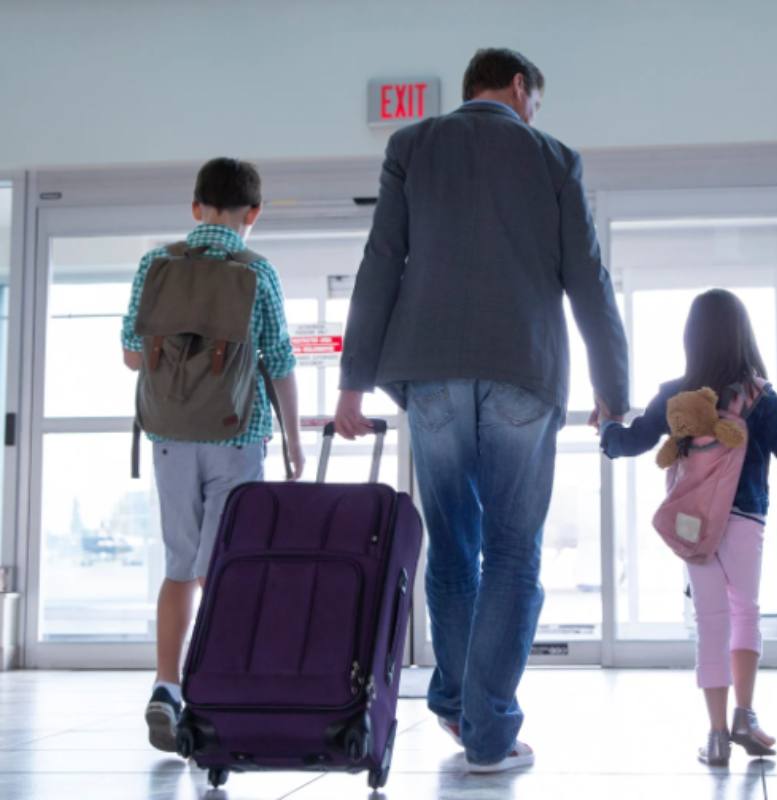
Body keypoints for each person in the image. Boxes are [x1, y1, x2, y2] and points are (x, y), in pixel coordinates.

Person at [333, 48, 629, 773]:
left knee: (454, 544)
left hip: (427, 377)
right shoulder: (554, 157)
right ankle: (487, 729)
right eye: (535, 100)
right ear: (521, 88)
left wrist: (352, 382)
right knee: (513, 552)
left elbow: (381, 261)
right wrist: (613, 391)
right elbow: (588, 278)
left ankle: (461, 707)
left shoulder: (411, 145)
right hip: (523, 374)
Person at [600, 289, 777, 766]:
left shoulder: (676, 394)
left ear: (691, 338)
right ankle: (745, 716)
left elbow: (631, 443)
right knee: (746, 613)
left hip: (694, 524)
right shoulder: (757, 396)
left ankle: (716, 737)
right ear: (743, 335)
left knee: (709, 622)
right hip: (745, 520)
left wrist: (608, 428)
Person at [121, 157, 303, 752]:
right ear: (253, 214)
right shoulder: (257, 270)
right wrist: (295, 440)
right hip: (238, 436)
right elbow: (278, 361)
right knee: (222, 566)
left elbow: (130, 354)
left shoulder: (157, 262)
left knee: (179, 566)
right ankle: (212, 691)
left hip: (170, 435)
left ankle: (166, 686)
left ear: (195, 207)